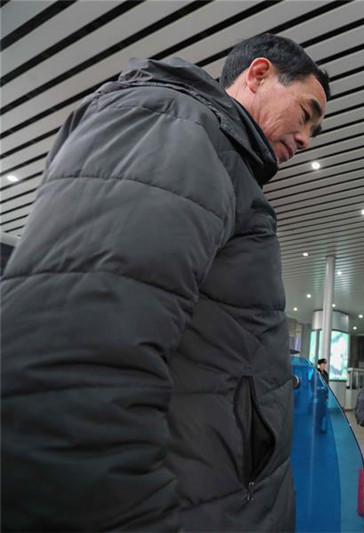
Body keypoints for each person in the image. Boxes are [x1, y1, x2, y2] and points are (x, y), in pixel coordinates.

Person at [1, 34, 329, 531]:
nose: (306, 139)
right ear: (258, 75)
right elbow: (69, 371)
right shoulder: (173, 125)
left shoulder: (217, 158)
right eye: (306, 113)